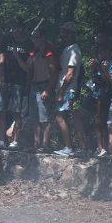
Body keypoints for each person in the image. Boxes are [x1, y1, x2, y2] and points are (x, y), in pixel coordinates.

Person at [0, 18, 31, 149]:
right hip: (5, 80)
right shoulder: (6, 39)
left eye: (15, 27)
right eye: (12, 27)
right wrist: (2, 78)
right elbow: (1, 59)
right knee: (1, 111)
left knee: (16, 112)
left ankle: (15, 141)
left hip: (19, 82)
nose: (13, 30)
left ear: (21, 28)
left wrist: (17, 56)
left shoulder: (29, 44)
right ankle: (1, 140)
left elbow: (28, 68)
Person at [49, 22, 82, 156]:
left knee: (60, 116)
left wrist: (61, 92)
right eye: (63, 32)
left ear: (72, 34)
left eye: (66, 32)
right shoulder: (66, 49)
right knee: (62, 116)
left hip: (68, 89)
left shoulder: (74, 50)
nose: (63, 35)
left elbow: (70, 74)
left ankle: (70, 147)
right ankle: (72, 146)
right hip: (63, 88)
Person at [27, 27, 58, 152]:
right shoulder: (34, 51)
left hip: (44, 85)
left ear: (43, 37)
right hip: (34, 85)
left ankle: (45, 145)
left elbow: (54, 71)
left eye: (36, 37)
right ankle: (36, 144)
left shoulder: (48, 50)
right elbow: (27, 66)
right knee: (35, 117)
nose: (34, 39)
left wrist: (48, 89)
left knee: (44, 117)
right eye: (33, 37)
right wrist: (16, 56)